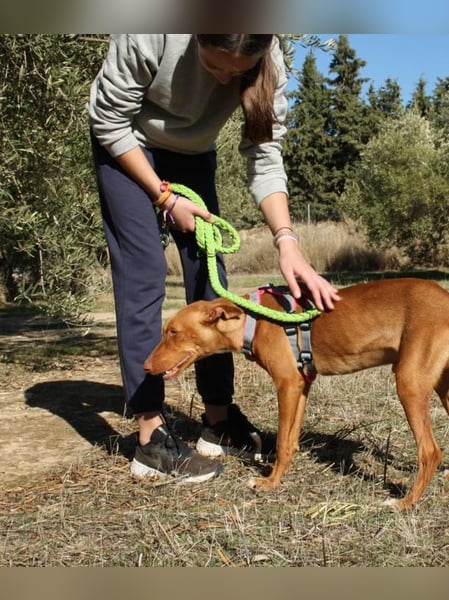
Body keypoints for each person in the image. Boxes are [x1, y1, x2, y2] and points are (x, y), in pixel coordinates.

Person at [88, 34, 340, 483]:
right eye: (215, 64)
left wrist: (287, 240)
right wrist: (163, 196)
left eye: (237, 71)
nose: (225, 78)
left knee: (212, 282)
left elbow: (264, 155)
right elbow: (108, 120)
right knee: (144, 277)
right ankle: (150, 436)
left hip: (194, 157)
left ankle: (218, 420)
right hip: (127, 148)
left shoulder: (268, 58)